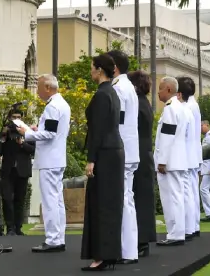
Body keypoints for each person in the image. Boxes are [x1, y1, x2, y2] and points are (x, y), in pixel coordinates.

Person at [81, 53, 124, 271]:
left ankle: (101, 255)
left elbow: (97, 130)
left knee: (101, 204)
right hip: (115, 151)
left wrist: (91, 159)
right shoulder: (112, 93)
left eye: (92, 68)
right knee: (111, 204)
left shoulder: (101, 95)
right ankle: (109, 253)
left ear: (99, 70)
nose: (90, 72)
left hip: (105, 154)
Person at [23, 73, 70, 254]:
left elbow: (49, 134)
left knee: (50, 201)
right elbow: (53, 130)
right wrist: (38, 129)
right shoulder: (62, 104)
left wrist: (26, 133)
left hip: (49, 159)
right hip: (57, 158)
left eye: (39, 87)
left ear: (48, 88)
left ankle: (52, 239)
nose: (37, 91)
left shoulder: (52, 106)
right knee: (57, 200)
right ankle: (58, 237)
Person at [108, 50, 140, 264]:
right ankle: (127, 249)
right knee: (126, 199)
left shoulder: (119, 89)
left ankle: (127, 251)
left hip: (121, 151)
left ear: (114, 67)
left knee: (123, 200)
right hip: (128, 149)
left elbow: (116, 122)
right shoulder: (128, 87)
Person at [155, 75, 192, 246]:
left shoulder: (170, 108)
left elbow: (168, 136)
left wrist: (162, 161)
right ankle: (178, 231)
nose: (158, 92)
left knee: (172, 197)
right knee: (178, 196)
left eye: (160, 89)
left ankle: (175, 233)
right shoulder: (182, 107)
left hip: (170, 161)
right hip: (178, 159)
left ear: (169, 89)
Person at [128, 70, 157, 257]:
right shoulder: (144, 103)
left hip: (138, 154)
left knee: (138, 198)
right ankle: (142, 240)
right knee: (143, 198)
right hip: (144, 153)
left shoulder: (136, 105)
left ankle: (140, 240)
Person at [0, 104, 34, 236]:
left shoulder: (27, 131)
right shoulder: (5, 132)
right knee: (7, 199)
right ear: (9, 118)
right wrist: (4, 135)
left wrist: (22, 143)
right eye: (14, 117)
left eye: (19, 117)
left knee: (19, 199)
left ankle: (18, 227)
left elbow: (33, 149)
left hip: (22, 170)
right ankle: (10, 227)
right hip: (8, 170)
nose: (16, 120)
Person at [178, 77, 203, 238]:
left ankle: (189, 227)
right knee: (192, 192)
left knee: (187, 192)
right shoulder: (194, 105)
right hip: (193, 153)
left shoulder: (187, 107)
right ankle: (193, 225)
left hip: (187, 154)